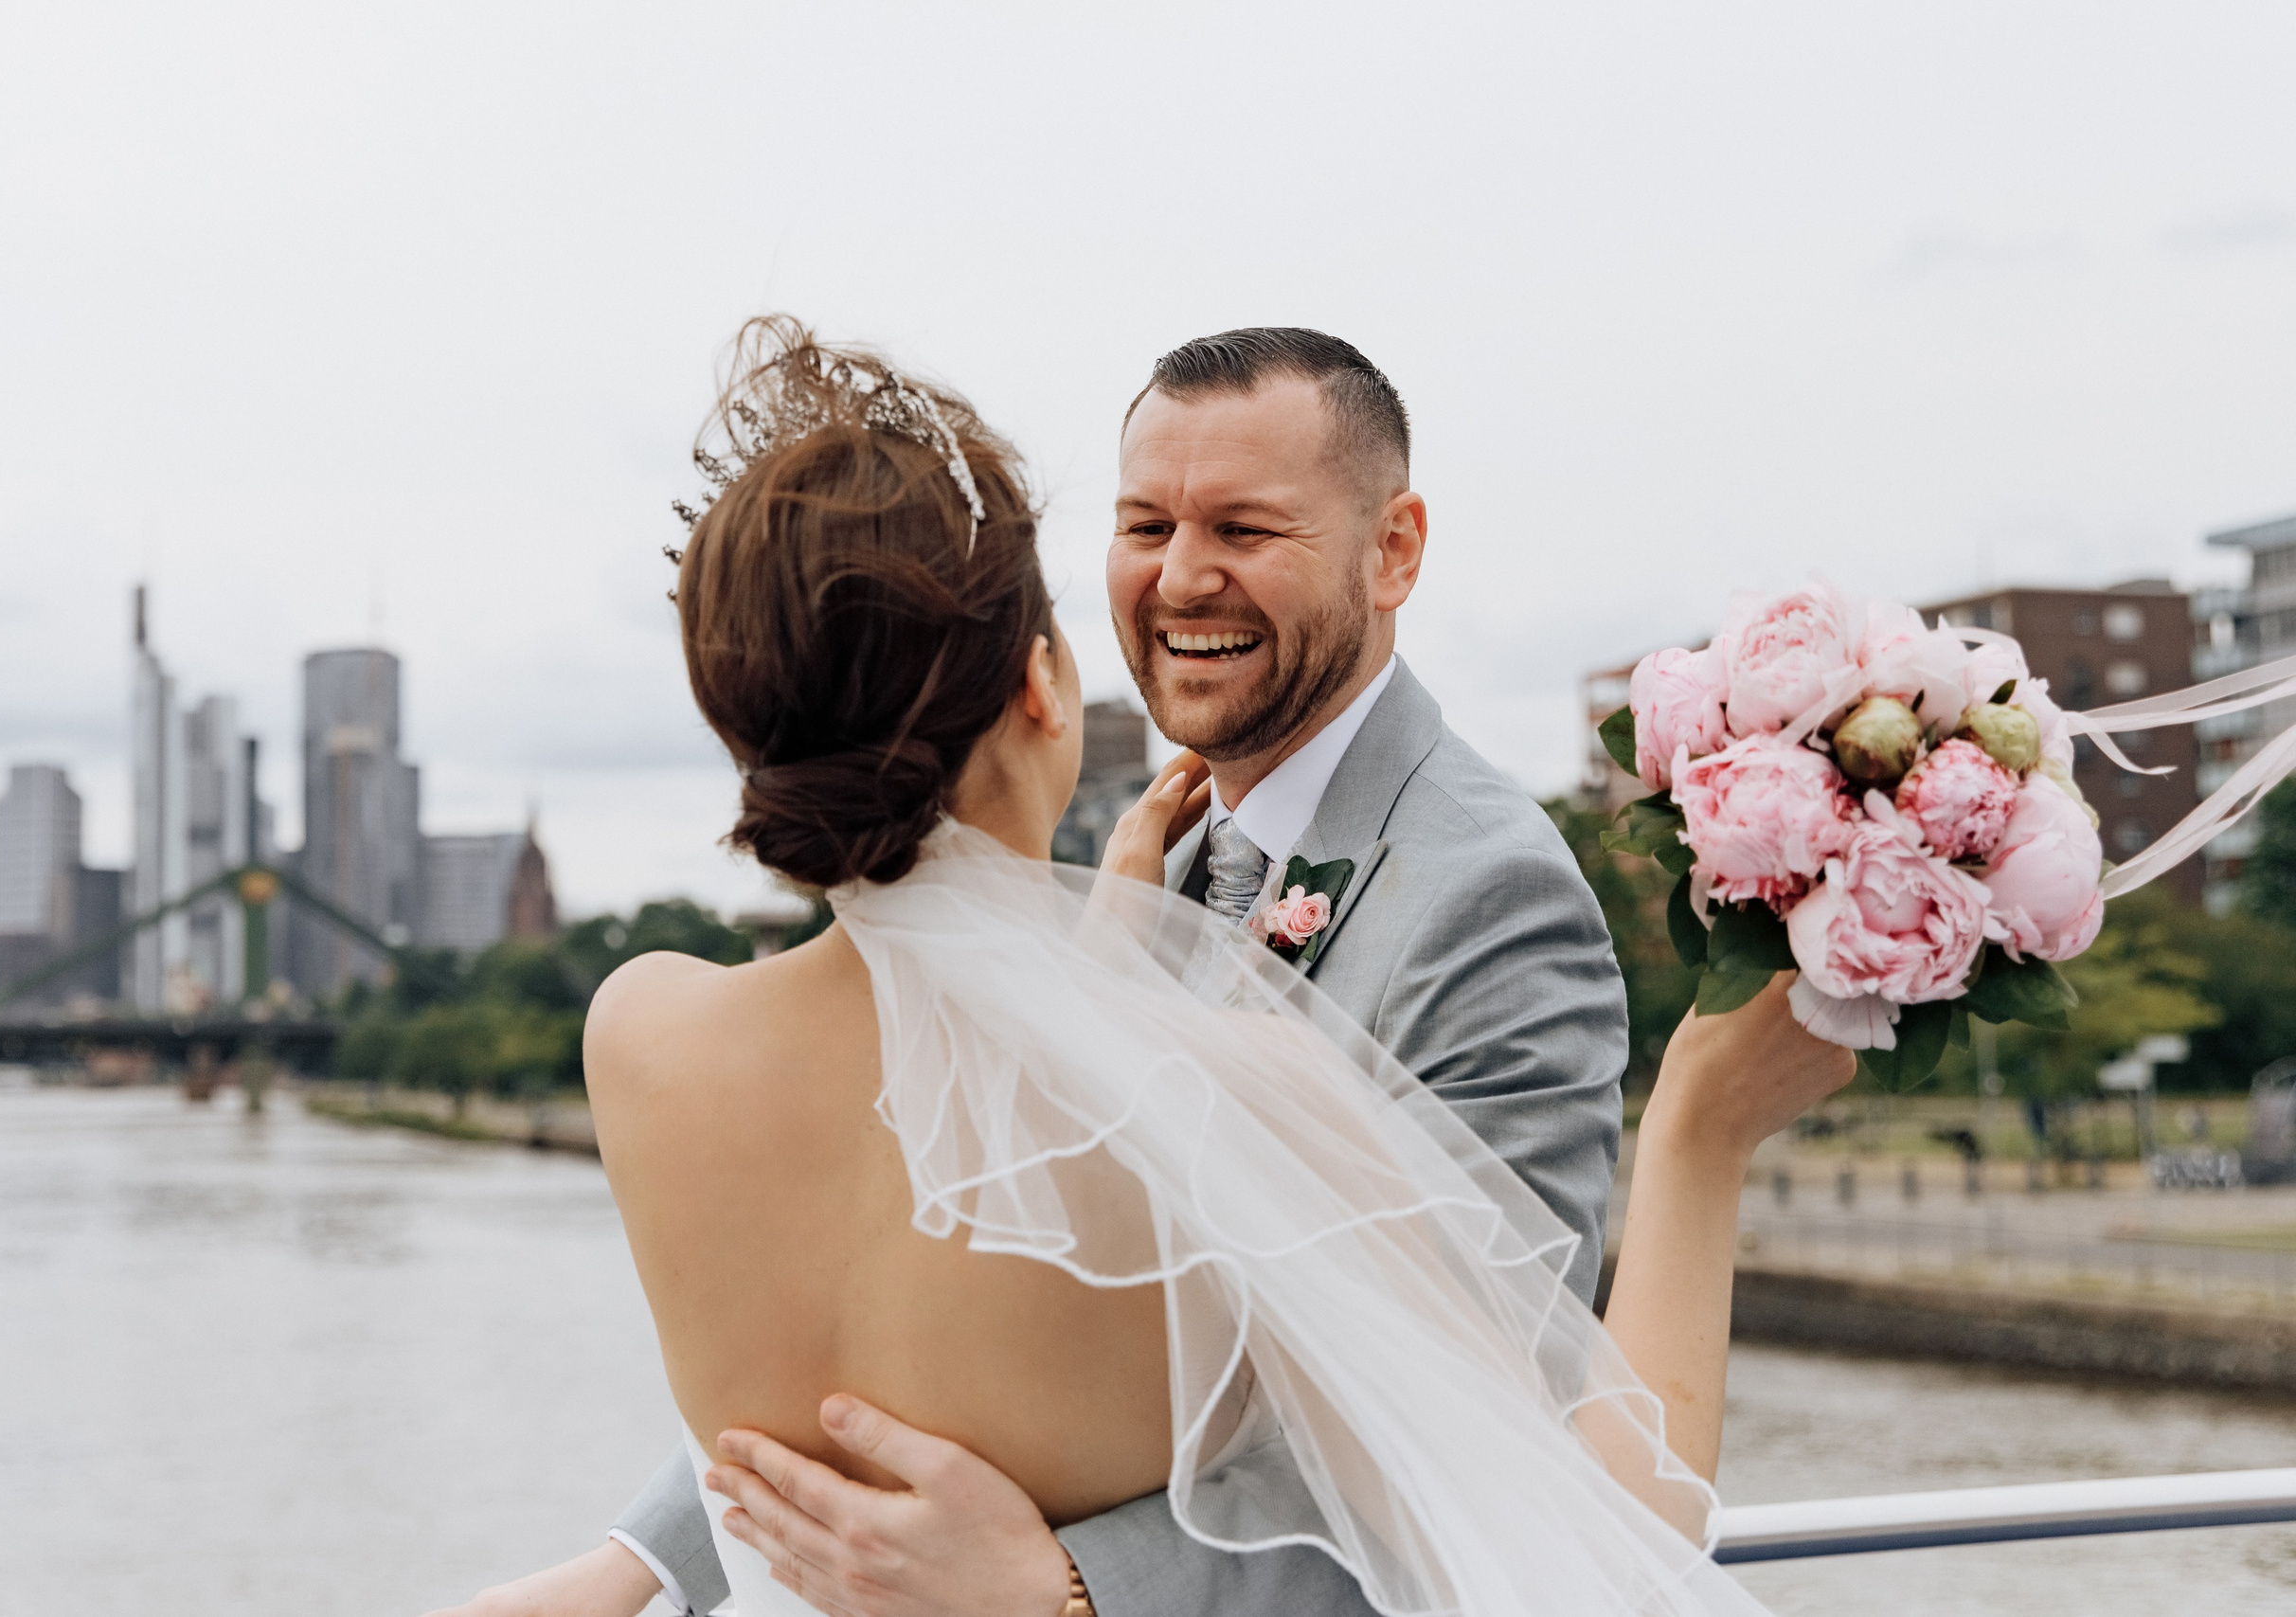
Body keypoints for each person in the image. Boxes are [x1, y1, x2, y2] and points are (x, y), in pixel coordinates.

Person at [421, 323, 1850, 1617]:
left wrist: (1072, 1592)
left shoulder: (1493, 890)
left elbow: (1493, 1420)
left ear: (1395, 550)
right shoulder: (1116, 877)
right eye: (1144, 524)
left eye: (1243, 526)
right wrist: (651, 1551)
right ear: (1043, 687)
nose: (1178, 576)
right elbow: (1589, 1508)